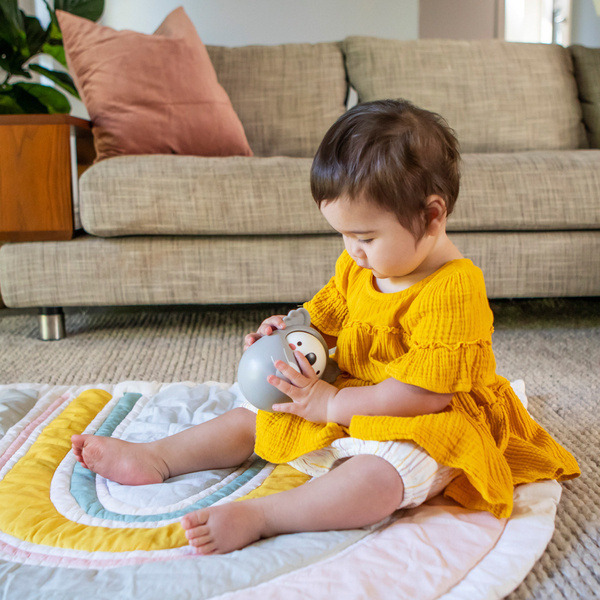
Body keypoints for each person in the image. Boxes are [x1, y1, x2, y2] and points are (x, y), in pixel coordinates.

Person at [71, 99, 580, 555]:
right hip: (354, 394)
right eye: (343, 235)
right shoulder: (359, 268)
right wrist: (287, 333)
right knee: (258, 413)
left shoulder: (454, 288)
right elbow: (324, 318)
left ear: (431, 216)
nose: (353, 251)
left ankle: (265, 516)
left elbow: (426, 395)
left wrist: (333, 404)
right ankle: (158, 458)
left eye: (365, 236)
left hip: (426, 416)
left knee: (383, 477)